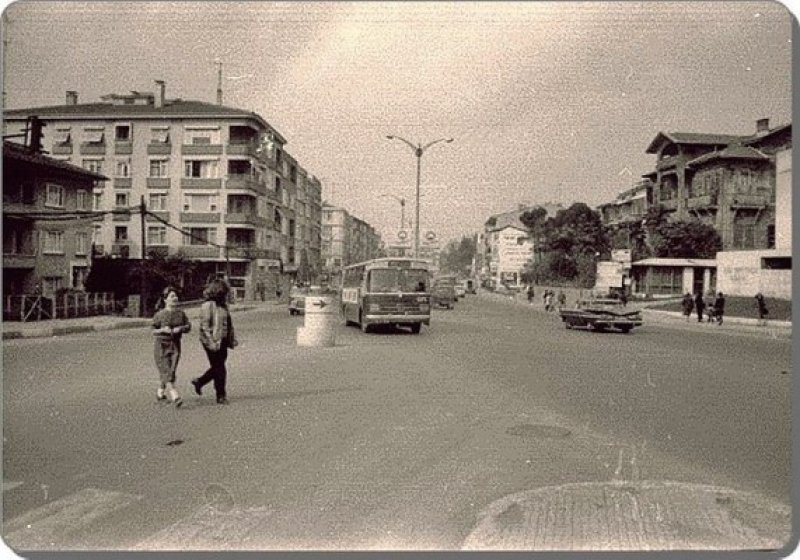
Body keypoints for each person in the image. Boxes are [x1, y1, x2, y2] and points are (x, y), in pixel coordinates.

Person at [192, 279, 238, 405]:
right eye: (224, 292)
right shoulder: (208, 305)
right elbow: (204, 326)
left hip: (222, 340)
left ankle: (200, 381)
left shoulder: (223, 306)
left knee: (218, 366)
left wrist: (232, 338)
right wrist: (211, 342)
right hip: (211, 340)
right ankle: (221, 395)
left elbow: (228, 323)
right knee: (220, 368)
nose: (226, 295)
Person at [151, 286, 191, 407]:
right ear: (165, 299)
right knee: (166, 370)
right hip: (161, 346)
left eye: (176, 296)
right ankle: (175, 395)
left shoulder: (181, 314)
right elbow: (153, 330)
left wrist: (181, 328)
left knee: (171, 370)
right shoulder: (159, 314)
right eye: (172, 296)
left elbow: (188, 326)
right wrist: (162, 329)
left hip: (175, 345)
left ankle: (160, 393)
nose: (175, 298)